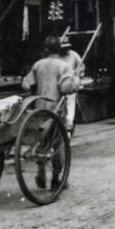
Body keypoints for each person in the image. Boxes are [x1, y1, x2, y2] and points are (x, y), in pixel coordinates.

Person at [22, 36, 73, 191]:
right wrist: (75, 81)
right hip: (56, 110)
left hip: (39, 110)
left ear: (46, 49)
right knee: (58, 145)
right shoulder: (63, 66)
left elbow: (26, 84)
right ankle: (56, 180)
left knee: (43, 142)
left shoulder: (37, 65)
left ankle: (41, 172)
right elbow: (66, 88)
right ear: (60, 49)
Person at [60, 37, 83, 136]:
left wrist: (78, 76)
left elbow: (81, 66)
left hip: (70, 81)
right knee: (60, 104)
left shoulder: (74, 55)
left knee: (70, 103)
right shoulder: (57, 56)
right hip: (60, 82)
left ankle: (69, 124)